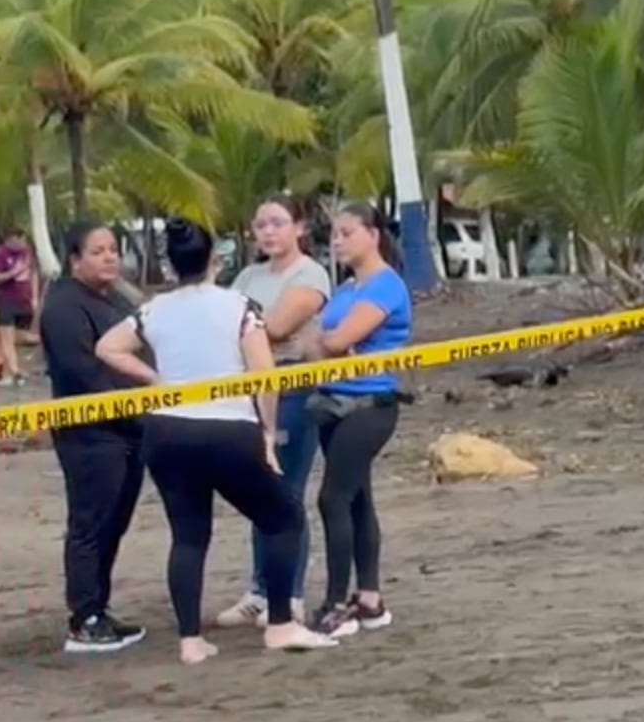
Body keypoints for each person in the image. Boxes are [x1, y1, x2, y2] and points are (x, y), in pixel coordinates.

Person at [94, 217, 337, 663]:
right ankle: (281, 624)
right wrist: (266, 432)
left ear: (172, 264)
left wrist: (155, 380)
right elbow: (265, 375)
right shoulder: (239, 305)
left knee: (188, 535)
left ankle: (191, 640)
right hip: (227, 428)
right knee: (283, 518)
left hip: (168, 430)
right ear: (213, 261)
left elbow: (108, 347)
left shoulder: (153, 309)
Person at [221, 195, 332, 627]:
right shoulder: (248, 275)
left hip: (292, 388)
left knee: (287, 490)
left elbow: (278, 326)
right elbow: (229, 326)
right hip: (250, 389)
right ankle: (260, 587)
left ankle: (292, 592)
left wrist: (245, 326)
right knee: (258, 490)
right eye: (261, 224)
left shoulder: (310, 274)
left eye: (278, 223)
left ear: (299, 228)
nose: (268, 231)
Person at [38, 222, 148, 655]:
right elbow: (81, 370)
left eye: (113, 250)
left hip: (131, 427)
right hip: (89, 431)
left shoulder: (116, 298)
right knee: (90, 524)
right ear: (75, 259)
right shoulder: (64, 306)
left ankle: (99, 607)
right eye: (98, 251)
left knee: (114, 523)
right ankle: (83, 616)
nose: (109, 258)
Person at [304, 203, 413, 638]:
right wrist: (330, 344)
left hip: (370, 405)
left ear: (372, 234)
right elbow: (315, 341)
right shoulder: (348, 289)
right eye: (334, 234)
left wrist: (333, 344)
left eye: (347, 232)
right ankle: (368, 597)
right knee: (356, 498)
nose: (338, 241)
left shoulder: (386, 287)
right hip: (333, 400)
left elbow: (335, 340)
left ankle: (335, 603)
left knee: (332, 498)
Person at [0, 231, 40, 380]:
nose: (23, 243)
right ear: (11, 239)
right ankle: (15, 371)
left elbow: (33, 273)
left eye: (24, 239)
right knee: (7, 336)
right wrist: (12, 273)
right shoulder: (0, 254)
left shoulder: (27, 252)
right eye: (20, 239)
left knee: (22, 336)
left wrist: (34, 296)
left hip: (24, 300)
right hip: (6, 300)